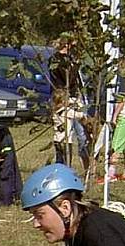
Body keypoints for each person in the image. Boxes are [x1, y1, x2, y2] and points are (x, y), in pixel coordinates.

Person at [49, 38, 90, 172]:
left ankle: (88, 168)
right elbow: (68, 79)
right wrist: (75, 65)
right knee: (67, 138)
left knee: (83, 136)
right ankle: (64, 170)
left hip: (74, 97)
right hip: (65, 98)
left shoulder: (70, 58)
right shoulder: (56, 60)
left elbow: (76, 80)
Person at [99, 56, 125, 184]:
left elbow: (121, 101)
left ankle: (111, 173)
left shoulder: (123, 81)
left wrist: (114, 116)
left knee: (116, 145)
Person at [51, 89, 88, 167]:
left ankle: (58, 174)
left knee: (59, 161)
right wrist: (79, 104)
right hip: (66, 141)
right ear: (64, 101)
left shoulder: (55, 111)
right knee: (67, 163)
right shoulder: (67, 112)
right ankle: (65, 175)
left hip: (57, 140)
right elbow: (80, 114)